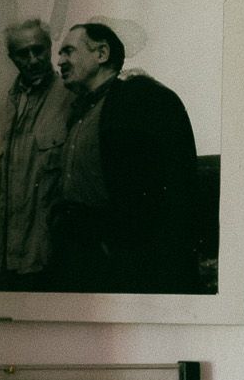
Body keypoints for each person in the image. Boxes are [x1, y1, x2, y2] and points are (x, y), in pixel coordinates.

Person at [46, 21, 201, 293]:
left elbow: (151, 193)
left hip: (125, 258)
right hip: (87, 252)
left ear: (102, 54)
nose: (60, 61)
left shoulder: (140, 99)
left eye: (68, 51)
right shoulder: (82, 109)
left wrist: (115, 244)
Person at [0, 17, 70, 283]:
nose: (33, 60)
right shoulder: (1, 109)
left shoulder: (72, 100)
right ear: (11, 57)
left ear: (49, 47)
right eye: (22, 53)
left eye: (38, 50)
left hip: (47, 261)